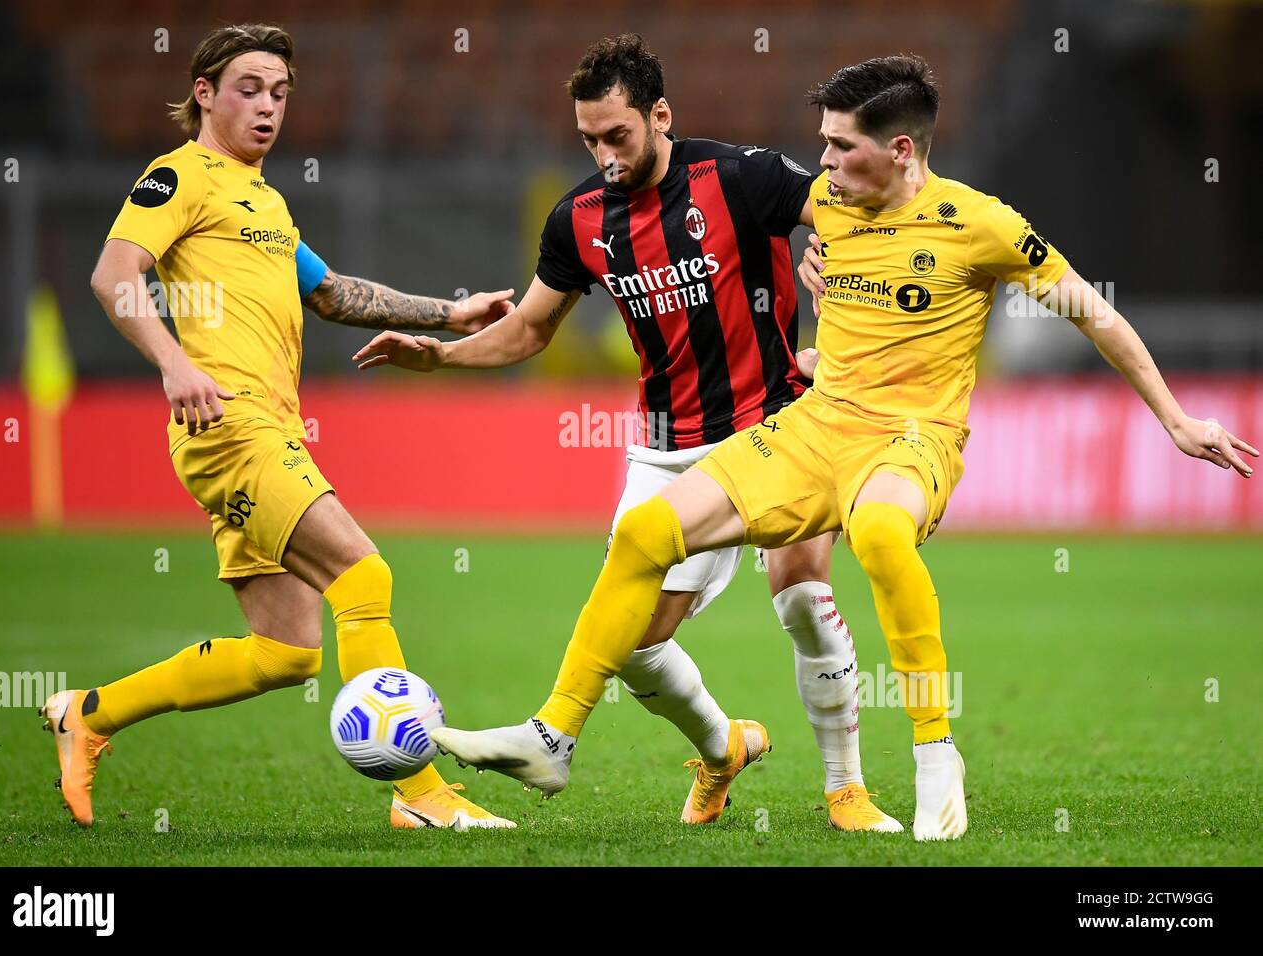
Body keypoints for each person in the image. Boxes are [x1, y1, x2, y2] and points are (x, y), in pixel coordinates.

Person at [414, 54, 1257, 841]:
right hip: (812, 426)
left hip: (912, 438)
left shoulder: (982, 223)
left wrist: (1177, 420)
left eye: (839, 146)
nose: (821, 161)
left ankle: (932, 753)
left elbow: (1094, 314)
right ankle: (554, 736)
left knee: (877, 541)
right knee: (641, 537)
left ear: (897, 149)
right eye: (820, 144)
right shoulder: (827, 208)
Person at [353, 35, 899, 832]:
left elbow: (849, 214)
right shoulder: (578, 220)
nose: (605, 155)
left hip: (778, 423)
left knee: (805, 598)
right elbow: (532, 329)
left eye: (619, 135)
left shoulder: (739, 175)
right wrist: (441, 355)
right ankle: (723, 749)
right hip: (666, 444)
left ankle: (845, 790)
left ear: (660, 115)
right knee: (632, 647)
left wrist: (839, 278)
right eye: (589, 141)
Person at [45, 23, 516, 831]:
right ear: (205, 94)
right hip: (228, 426)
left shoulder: (265, 201)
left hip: (269, 430)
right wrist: (172, 361)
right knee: (364, 577)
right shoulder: (179, 176)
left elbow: (331, 293)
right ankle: (422, 795)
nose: (269, 108)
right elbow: (112, 274)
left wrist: (450, 313)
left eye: (281, 94)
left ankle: (87, 714)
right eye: (250, 89)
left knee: (285, 653)